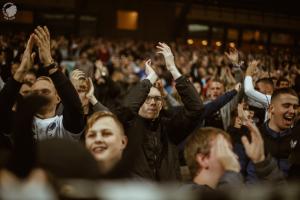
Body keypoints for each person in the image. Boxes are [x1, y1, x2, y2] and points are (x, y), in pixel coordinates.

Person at [114, 42, 203, 181]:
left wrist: (172, 68)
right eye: (147, 98)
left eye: (156, 99)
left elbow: (196, 108)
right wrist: (150, 78)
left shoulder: (169, 128)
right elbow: (126, 108)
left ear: (161, 104)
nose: (152, 102)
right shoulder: (127, 126)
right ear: (139, 101)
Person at [0, 26, 84, 141]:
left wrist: (49, 63)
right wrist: (22, 69)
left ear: (58, 98)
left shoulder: (66, 125)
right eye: (35, 93)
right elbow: (2, 108)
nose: (39, 95)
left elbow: (74, 106)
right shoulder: (20, 124)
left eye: (45, 91)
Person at [183, 122, 284, 193]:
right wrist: (231, 171)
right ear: (203, 159)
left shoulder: (233, 184)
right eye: (226, 151)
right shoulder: (187, 194)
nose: (234, 156)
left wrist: (262, 162)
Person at [243, 88, 299, 183]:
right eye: (286, 106)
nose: (292, 111)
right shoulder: (252, 136)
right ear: (271, 109)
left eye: (295, 107)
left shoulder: (297, 139)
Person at [84, 111, 128, 176]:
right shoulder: (73, 184)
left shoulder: (139, 185)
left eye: (106, 133)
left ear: (123, 142)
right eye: (91, 135)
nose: (98, 139)